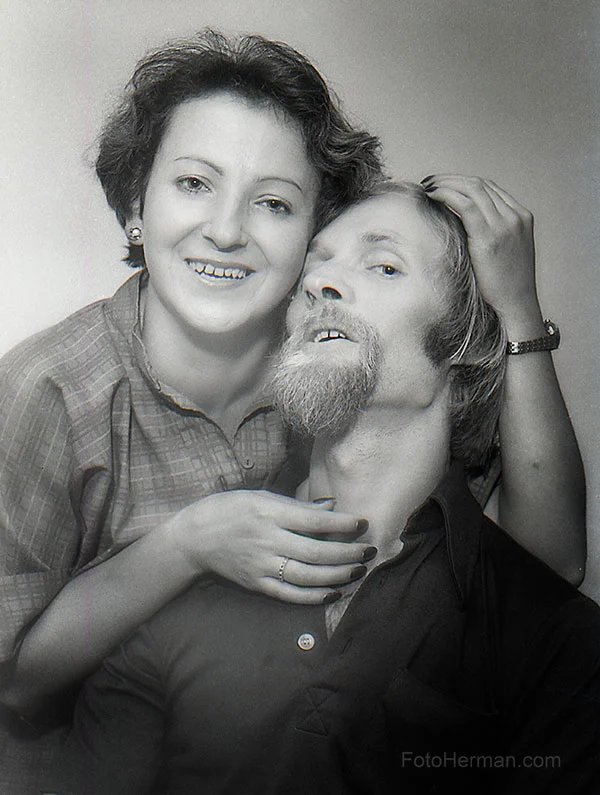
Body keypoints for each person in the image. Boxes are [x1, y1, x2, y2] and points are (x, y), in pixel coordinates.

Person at [0, 29, 585, 793]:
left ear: (307, 233)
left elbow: (545, 575)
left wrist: (516, 310)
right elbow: (14, 685)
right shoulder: (46, 389)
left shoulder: (331, 354)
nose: (226, 231)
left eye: (274, 203)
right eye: (193, 183)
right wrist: (187, 544)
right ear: (136, 203)